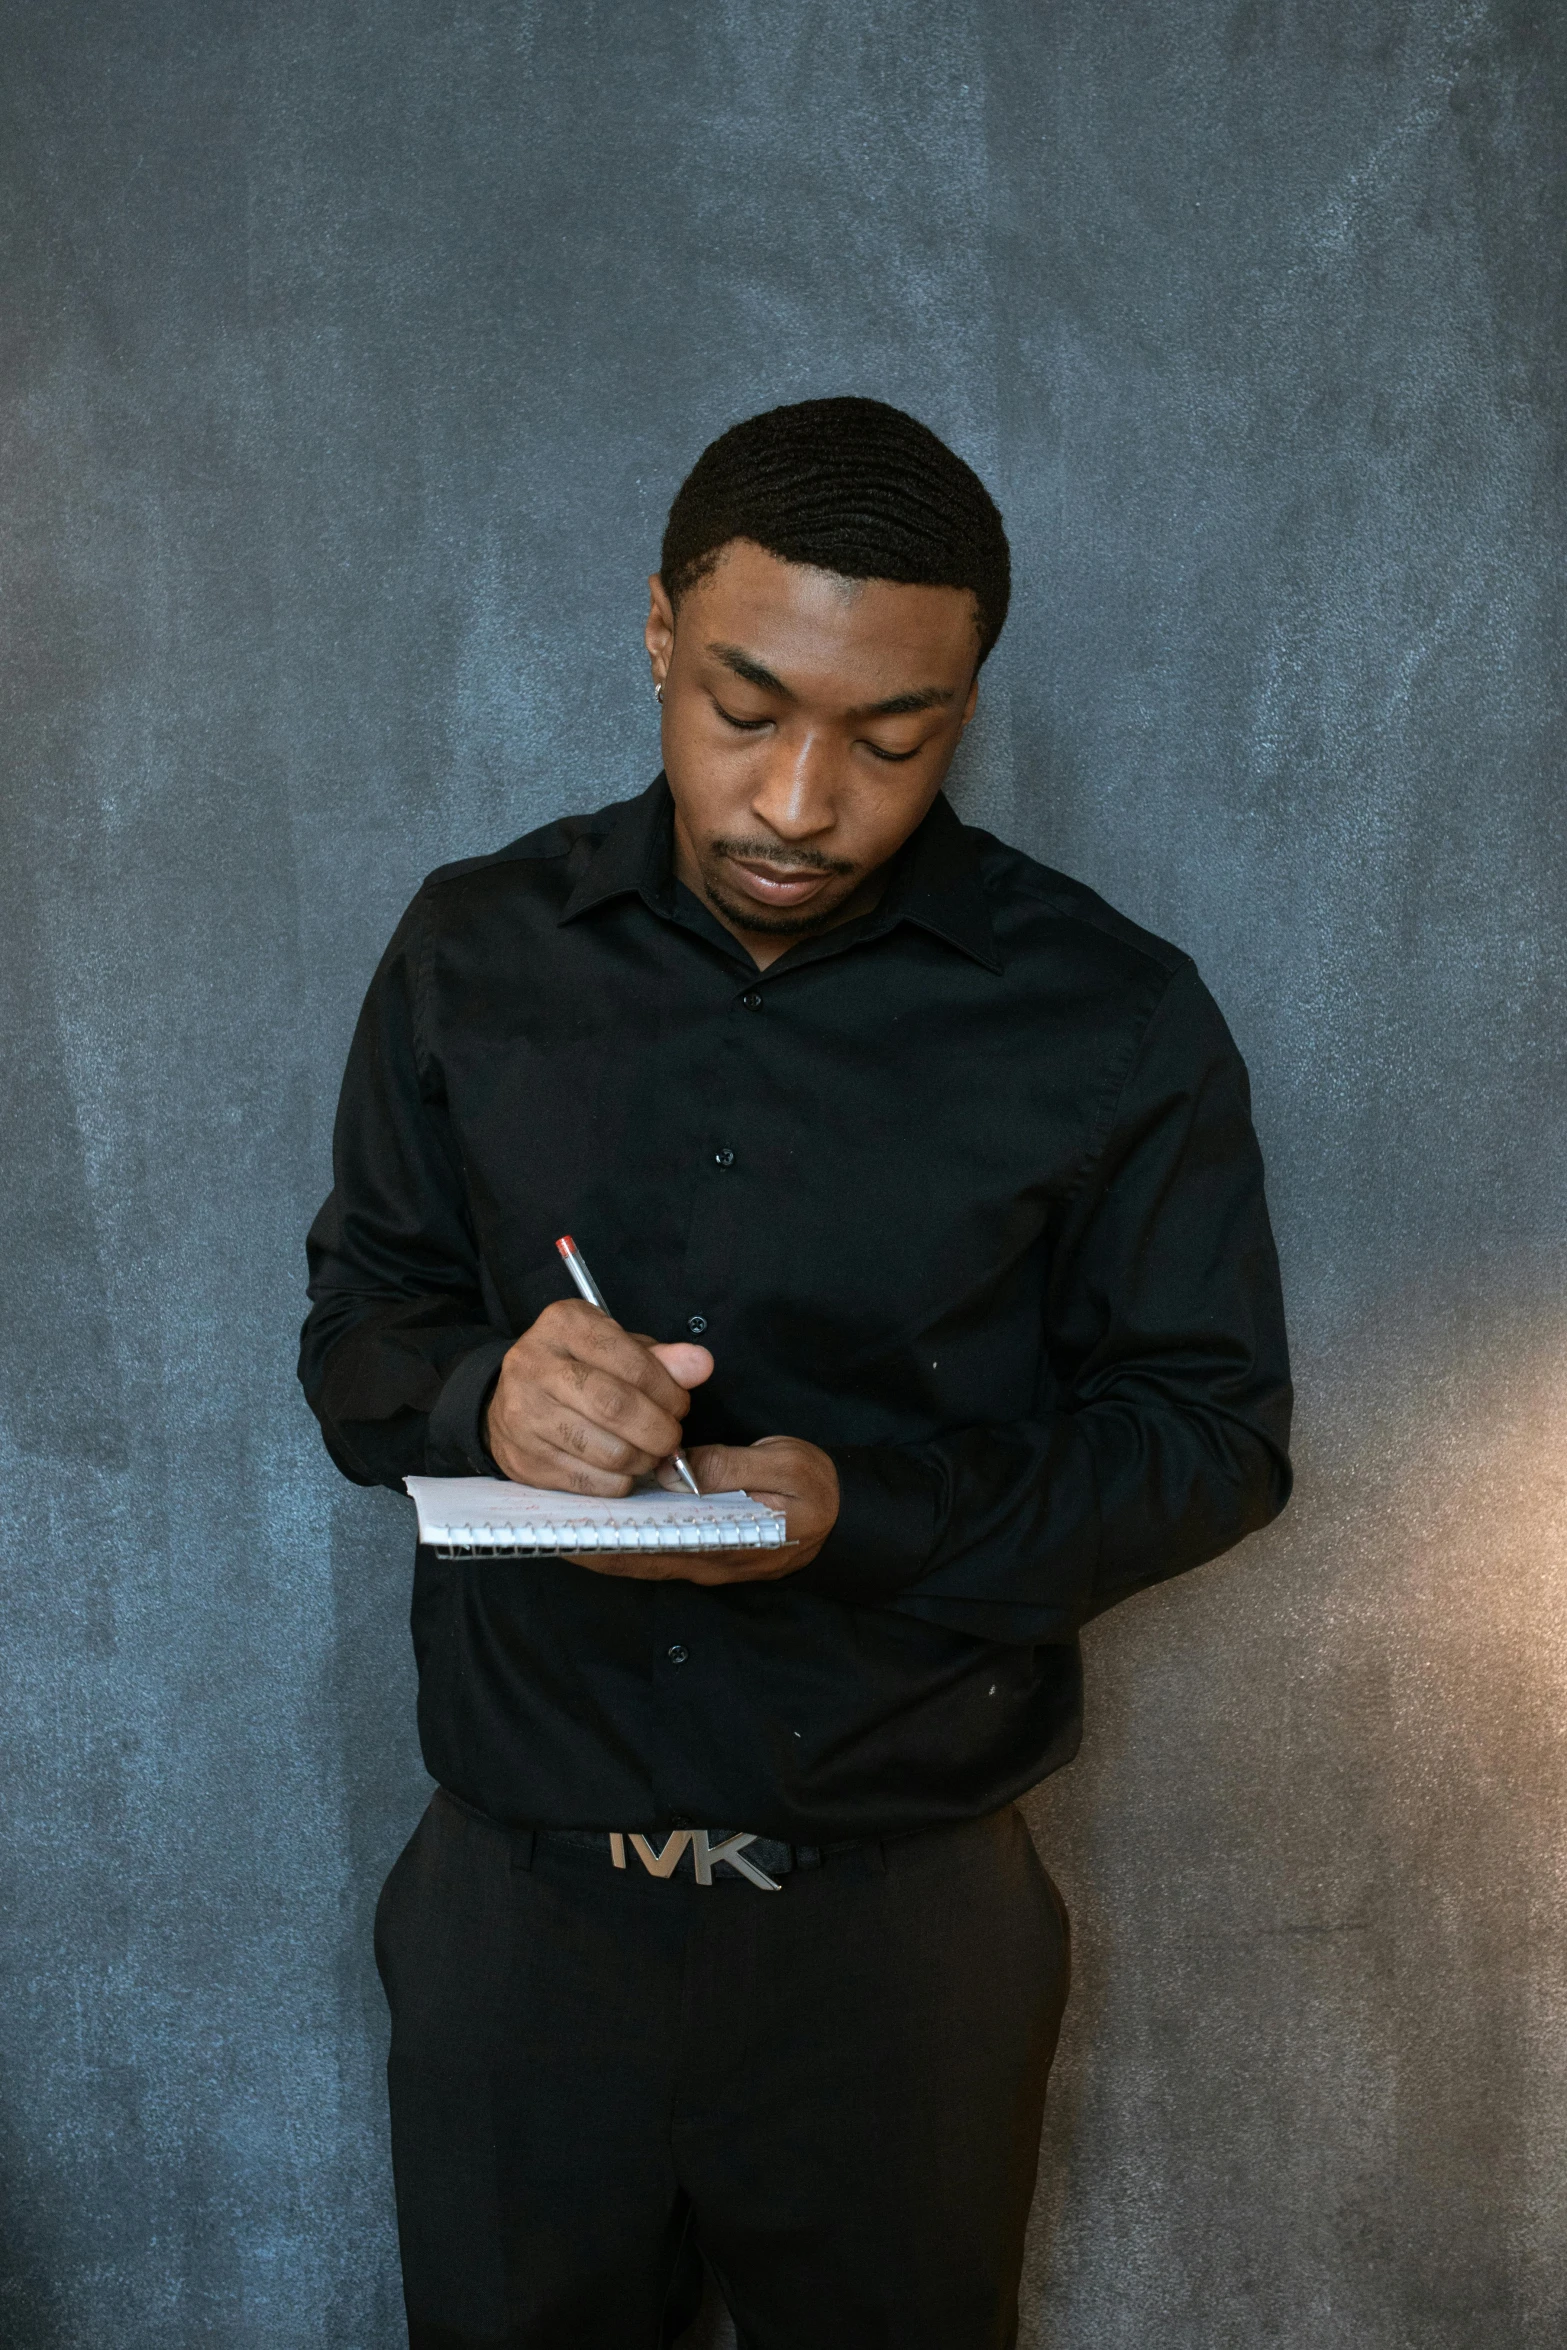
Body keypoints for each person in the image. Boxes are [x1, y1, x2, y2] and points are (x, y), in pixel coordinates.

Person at [299, 396, 1292, 2350]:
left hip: (899, 1941)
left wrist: (864, 1513)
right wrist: (484, 1391)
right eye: (747, 708)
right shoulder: (469, 949)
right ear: (660, 634)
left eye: (893, 738)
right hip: (522, 1918)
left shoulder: (1114, 1011)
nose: (800, 800)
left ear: (966, 701)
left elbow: (1211, 1440)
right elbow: (358, 1332)